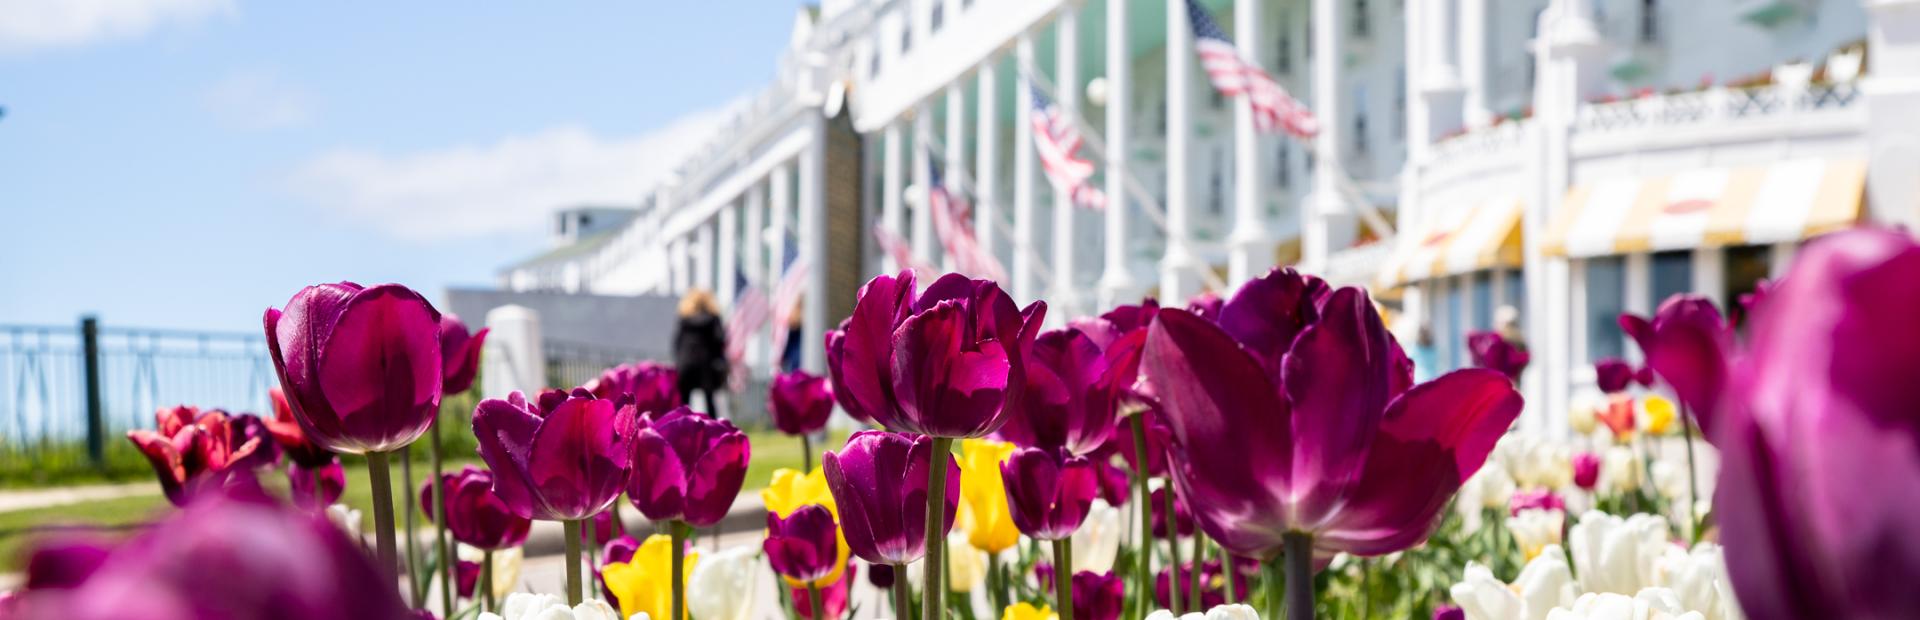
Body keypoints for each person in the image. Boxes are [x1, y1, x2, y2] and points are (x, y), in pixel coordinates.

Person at [672, 289, 728, 417]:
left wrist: (679, 361)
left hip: (686, 364)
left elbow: (677, 343)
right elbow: (719, 341)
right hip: (707, 365)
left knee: (684, 401)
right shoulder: (713, 319)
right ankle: (714, 428)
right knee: (710, 400)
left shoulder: (684, 320)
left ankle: (681, 426)